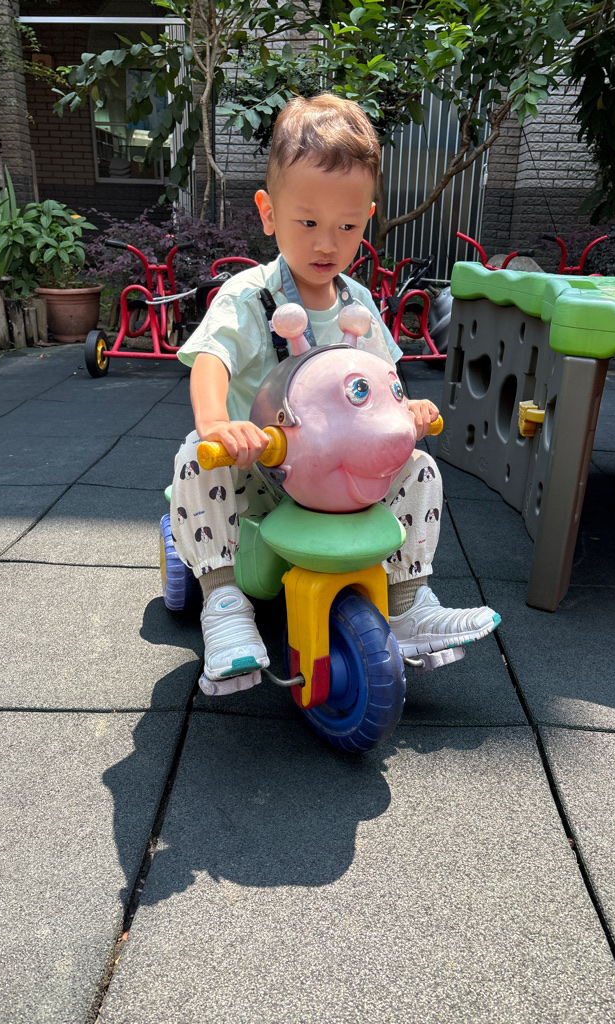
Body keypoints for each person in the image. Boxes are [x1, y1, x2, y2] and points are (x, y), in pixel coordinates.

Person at [172, 94, 500, 695]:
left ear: (366, 219)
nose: (327, 243)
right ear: (268, 213)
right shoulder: (249, 297)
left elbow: (382, 382)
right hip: (264, 470)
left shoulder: (357, 303)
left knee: (420, 467)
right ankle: (223, 602)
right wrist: (219, 424)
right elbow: (212, 359)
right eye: (308, 223)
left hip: (338, 474)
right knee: (196, 454)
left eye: (347, 227)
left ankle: (408, 602)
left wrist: (406, 411)